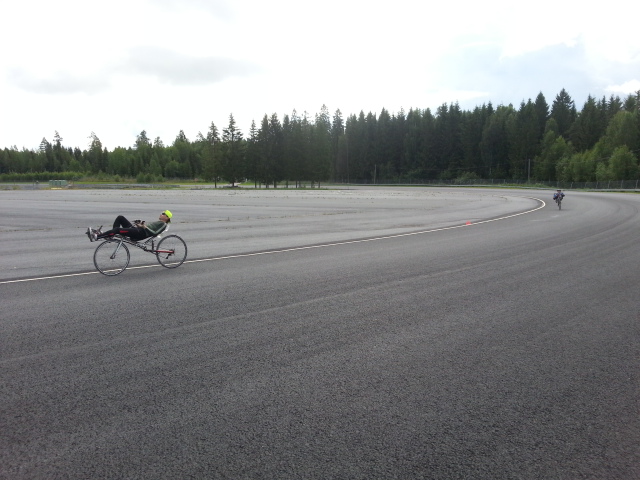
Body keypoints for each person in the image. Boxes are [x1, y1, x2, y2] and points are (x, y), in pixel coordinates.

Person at [86, 210, 172, 242]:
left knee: (117, 229)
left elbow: (155, 233)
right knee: (120, 217)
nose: (161, 214)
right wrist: (139, 224)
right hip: (138, 230)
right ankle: (111, 235)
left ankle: (97, 237)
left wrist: (144, 227)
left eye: (163, 214)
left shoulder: (163, 224)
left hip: (140, 234)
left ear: (167, 217)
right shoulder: (158, 222)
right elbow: (148, 228)